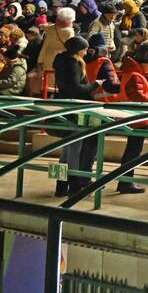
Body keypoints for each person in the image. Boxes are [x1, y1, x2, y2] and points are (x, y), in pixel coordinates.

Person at [52, 36, 106, 196]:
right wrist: (96, 84)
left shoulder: (60, 62)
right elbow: (76, 88)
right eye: (84, 49)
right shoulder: (73, 63)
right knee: (74, 149)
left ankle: (60, 186)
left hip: (64, 107)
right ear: (77, 50)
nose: (85, 52)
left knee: (67, 150)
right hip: (74, 110)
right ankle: (74, 186)